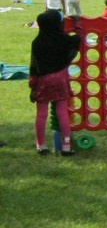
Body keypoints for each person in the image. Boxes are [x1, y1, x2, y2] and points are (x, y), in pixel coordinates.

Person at [28, 9, 82, 156]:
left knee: (41, 114)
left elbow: (34, 66)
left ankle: (41, 146)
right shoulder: (63, 41)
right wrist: (77, 24)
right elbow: (78, 39)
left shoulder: (37, 43)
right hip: (60, 79)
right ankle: (66, 147)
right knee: (62, 113)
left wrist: (33, 86)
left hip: (43, 81)